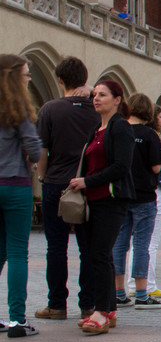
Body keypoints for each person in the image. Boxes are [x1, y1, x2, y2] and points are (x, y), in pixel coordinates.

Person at [68, 80, 136, 334]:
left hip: (111, 200)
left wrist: (87, 181)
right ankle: (107, 309)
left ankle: (102, 311)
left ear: (117, 99)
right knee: (96, 255)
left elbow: (121, 167)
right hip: (91, 201)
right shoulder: (96, 129)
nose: (96, 98)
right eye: (94, 94)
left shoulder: (120, 128)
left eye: (103, 95)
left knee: (100, 253)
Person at [34, 56, 99, 321]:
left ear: (60, 80)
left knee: (56, 247)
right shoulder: (97, 110)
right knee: (89, 249)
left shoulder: (50, 109)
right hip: (89, 185)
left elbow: (42, 150)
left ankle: (57, 305)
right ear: (84, 78)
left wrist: (42, 178)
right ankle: (88, 305)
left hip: (57, 184)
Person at [0, 54, 42, 337]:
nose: (29, 80)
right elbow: (34, 146)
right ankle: (17, 320)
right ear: (15, 77)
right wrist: (32, 158)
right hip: (15, 184)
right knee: (16, 252)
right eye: (26, 75)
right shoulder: (18, 107)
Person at [111, 93, 161, 310]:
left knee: (119, 244)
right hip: (144, 195)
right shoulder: (150, 135)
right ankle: (142, 294)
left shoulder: (119, 131)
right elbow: (156, 167)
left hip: (121, 194)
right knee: (142, 244)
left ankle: (118, 293)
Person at [127, 107, 161, 300]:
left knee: (128, 242)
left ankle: (127, 287)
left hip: (128, 192)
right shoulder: (151, 137)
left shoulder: (126, 132)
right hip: (150, 192)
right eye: (160, 116)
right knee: (149, 242)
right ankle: (145, 286)